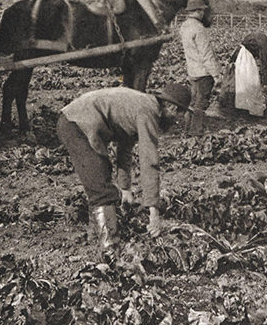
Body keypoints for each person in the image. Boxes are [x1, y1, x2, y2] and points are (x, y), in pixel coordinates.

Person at [56, 84, 191, 254]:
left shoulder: (141, 105)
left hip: (76, 120)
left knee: (100, 177)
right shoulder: (148, 112)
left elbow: (125, 148)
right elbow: (149, 161)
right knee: (101, 187)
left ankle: (96, 234)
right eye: (178, 113)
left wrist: (125, 188)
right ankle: (110, 250)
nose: (177, 120)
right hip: (76, 124)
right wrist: (154, 211)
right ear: (171, 106)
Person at [179, 0, 222, 134]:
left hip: (192, 70)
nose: (203, 13)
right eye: (202, 10)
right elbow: (206, 54)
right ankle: (196, 131)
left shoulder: (184, 26)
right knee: (201, 103)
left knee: (193, 102)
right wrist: (216, 75)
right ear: (196, 11)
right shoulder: (199, 28)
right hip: (204, 72)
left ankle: (187, 128)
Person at [230, 26, 267, 117]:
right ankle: (245, 109)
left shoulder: (262, 37)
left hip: (242, 54)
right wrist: (265, 83)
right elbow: (264, 63)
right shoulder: (264, 43)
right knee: (249, 83)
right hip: (244, 57)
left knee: (246, 82)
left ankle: (244, 108)